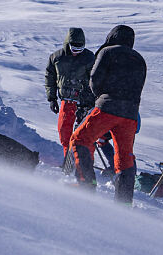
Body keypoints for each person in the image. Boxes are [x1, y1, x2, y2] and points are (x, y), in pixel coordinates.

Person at [69, 24, 147, 204]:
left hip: (108, 107)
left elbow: (94, 81)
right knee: (124, 157)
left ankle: (86, 184)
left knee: (80, 138)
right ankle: (124, 201)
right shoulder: (140, 59)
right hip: (130, 115)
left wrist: (102, 97)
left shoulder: (108, 52)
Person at [44, 28, 96, 155]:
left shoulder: (90, 58)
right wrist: (52, 98)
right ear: (68, 44)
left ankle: (85, 162)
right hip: (66, 101)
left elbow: (95, 80)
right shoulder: (56, 58)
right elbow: (50, 78)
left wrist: (90, 101)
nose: (77, 52)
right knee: (64, 133)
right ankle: (68, 158)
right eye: (74, 49)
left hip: (85, 103)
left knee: (85, 136)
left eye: (80, 49)